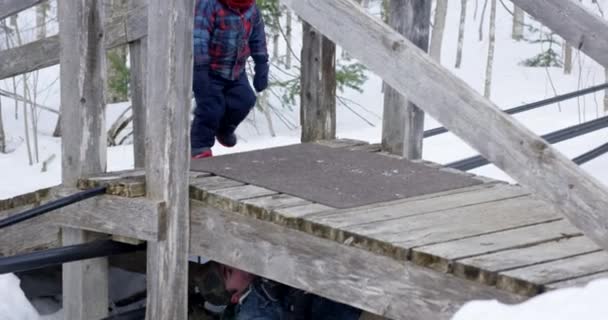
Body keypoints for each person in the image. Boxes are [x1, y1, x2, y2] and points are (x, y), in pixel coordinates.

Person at [191, 0, 269, 159]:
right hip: (209, 69)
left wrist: (261, 63)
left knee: (245, 99)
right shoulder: (209, 4)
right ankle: (200, 146)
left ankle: (225, 128)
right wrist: (199, 68)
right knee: (210, 108)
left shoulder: (251, 9)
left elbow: (258, 37)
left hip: (236, 70)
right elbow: (199, 36)